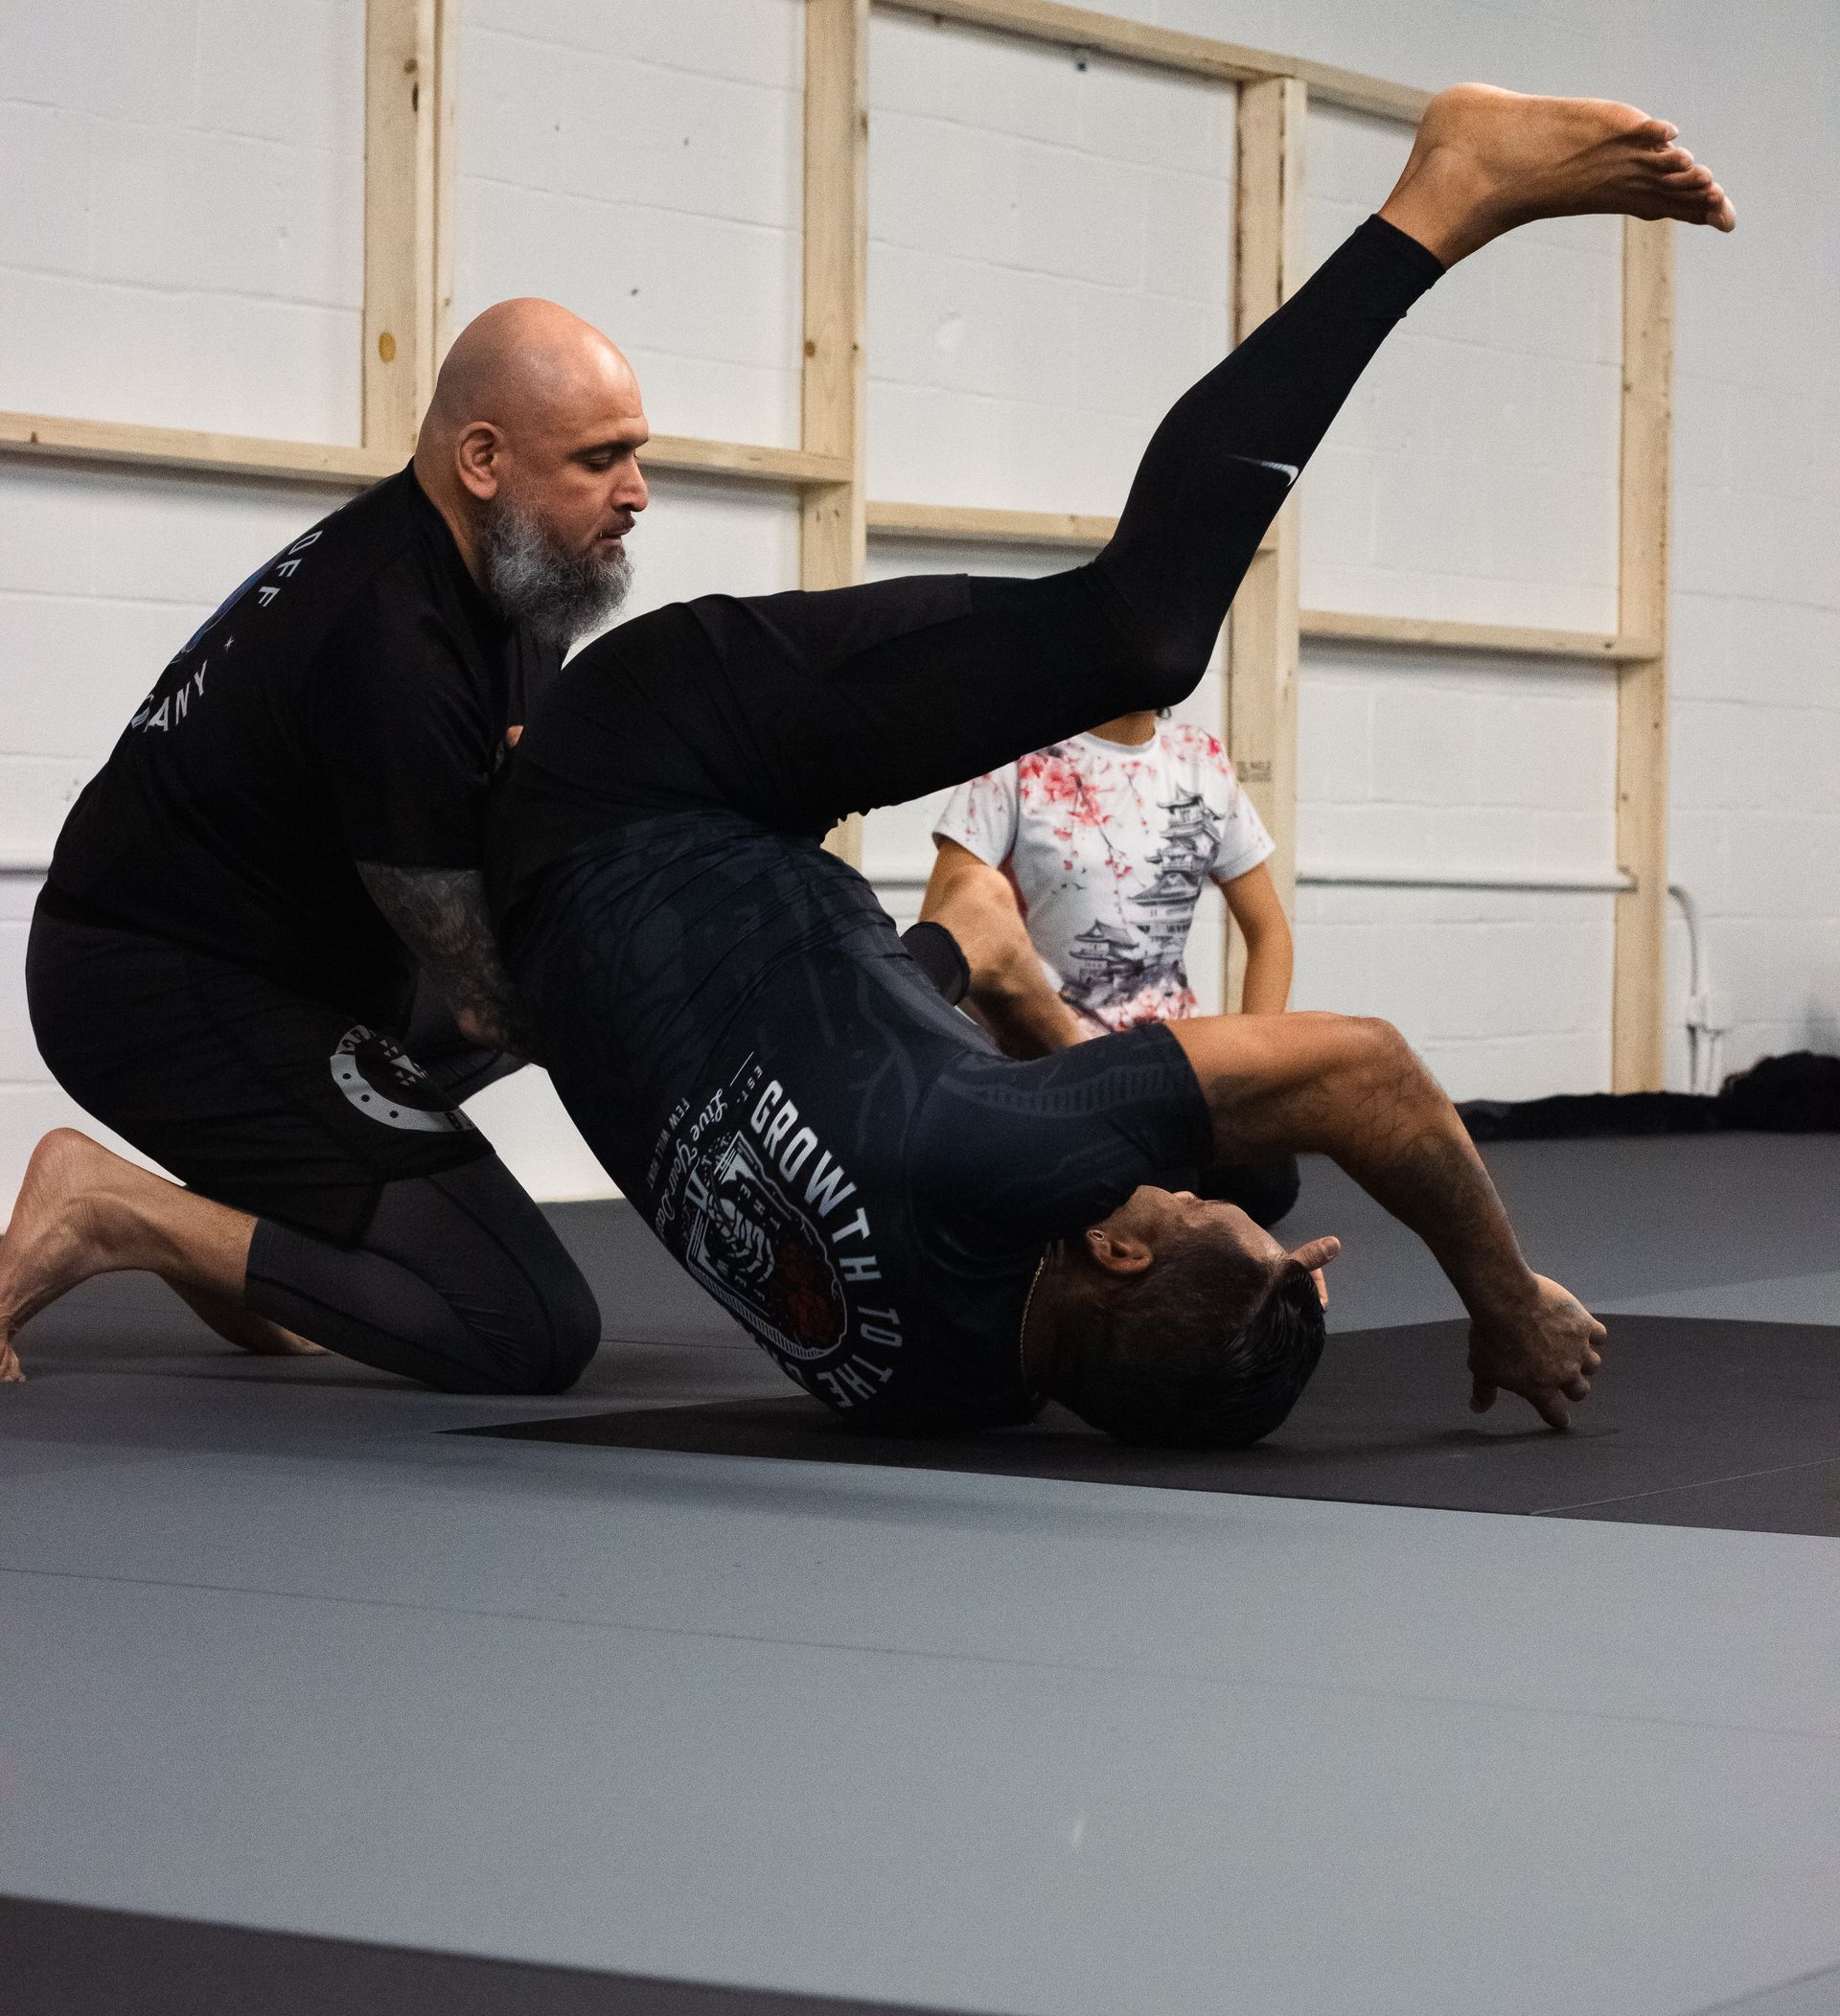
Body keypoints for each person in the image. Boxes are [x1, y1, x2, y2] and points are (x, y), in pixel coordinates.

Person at [488, 87, 1732, 1447]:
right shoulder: (953, 1388)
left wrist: (1503, 1302)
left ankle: (1445, 190)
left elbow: (1369, 1072)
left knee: (1140, 635)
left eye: (1160, 1215)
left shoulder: (1000, 1166)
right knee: (1247, 1168)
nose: (1169, 1199)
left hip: (641, 773)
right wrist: (1239, 1264)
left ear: (1118, 1255)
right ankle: (994, 963)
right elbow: (1176, 1251)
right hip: (630, 943)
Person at [1, 299, 650, 1390]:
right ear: (482, 459)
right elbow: (492, 995)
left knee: (576, 980)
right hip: (153, 990)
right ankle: (114, 1215)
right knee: (525, 1324)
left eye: (635, 455)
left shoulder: (513, 592)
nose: (636, 494)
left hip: (307, 974)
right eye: (599, 461)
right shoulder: (392, 636)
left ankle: (247, 1226)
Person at [922, 705, 1302, 1227]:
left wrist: (1253, 1067)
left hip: (1178, 1058)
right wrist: (1028, 1041)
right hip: (1065, 1064)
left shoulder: (1200, 759)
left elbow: (1269, 934)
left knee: (1269, 1181)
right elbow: (948, 936)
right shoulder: (1013, 759)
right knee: (1161, 1190)